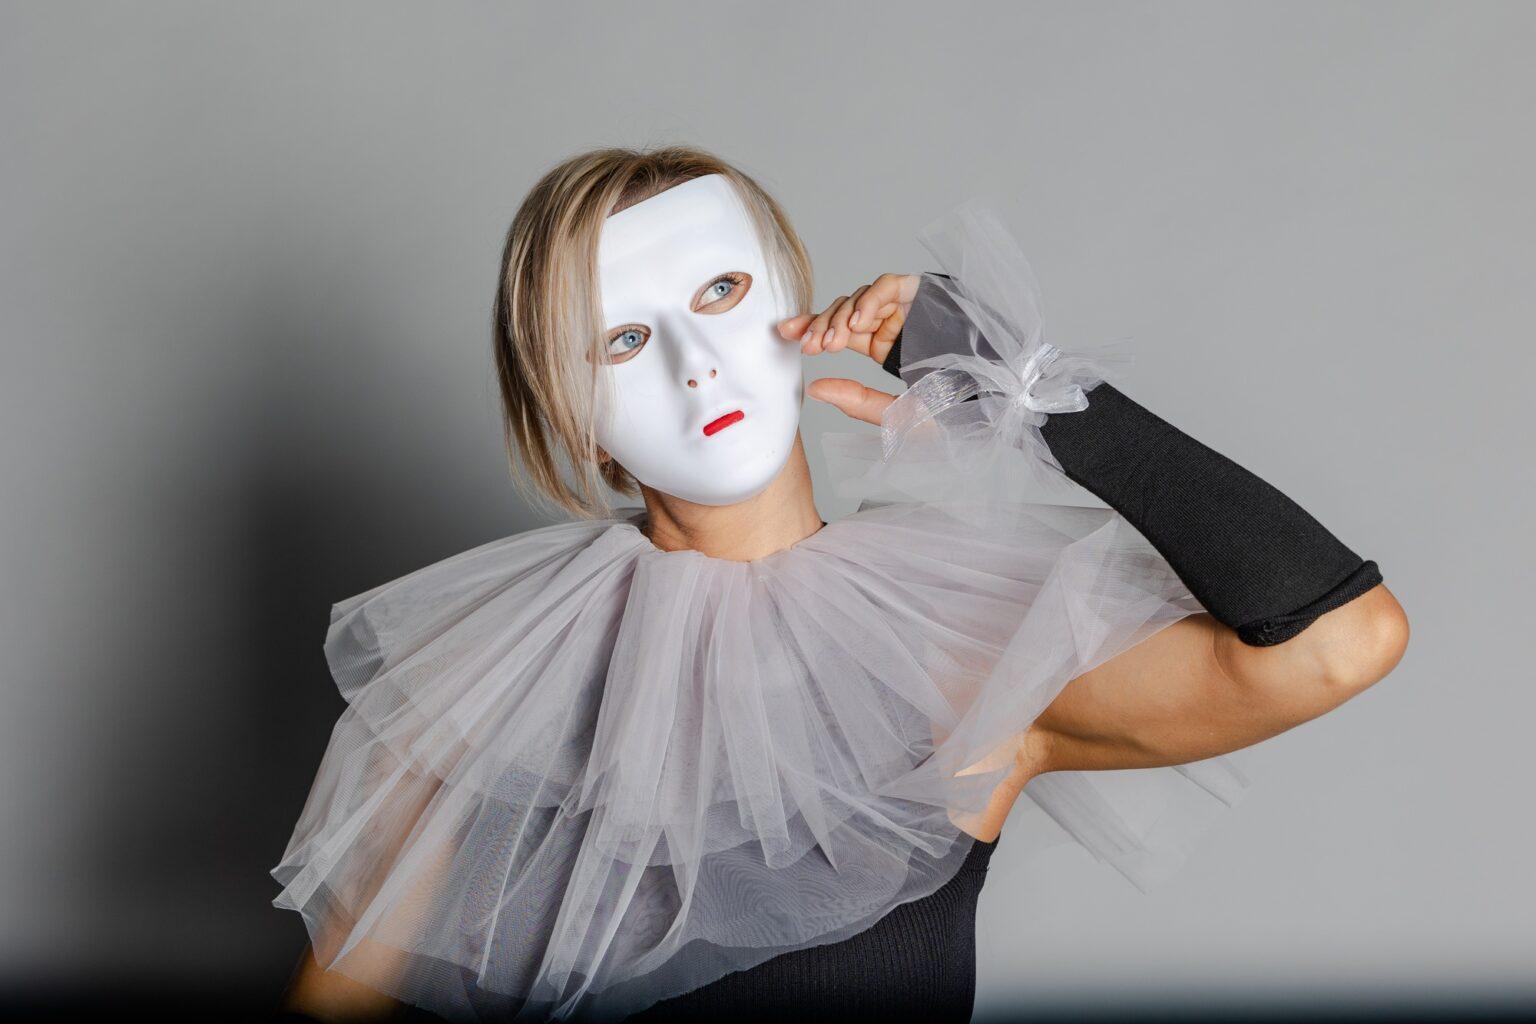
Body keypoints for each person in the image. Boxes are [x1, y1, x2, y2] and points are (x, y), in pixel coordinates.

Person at [272, 146, 1408, 1024]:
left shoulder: (967, 651)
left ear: (792, 312)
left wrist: (1029, 392)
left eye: (720, 290)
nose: (694, 360)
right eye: (620, 340)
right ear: (570, 417)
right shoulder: (486, 685)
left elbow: (1339, 640)